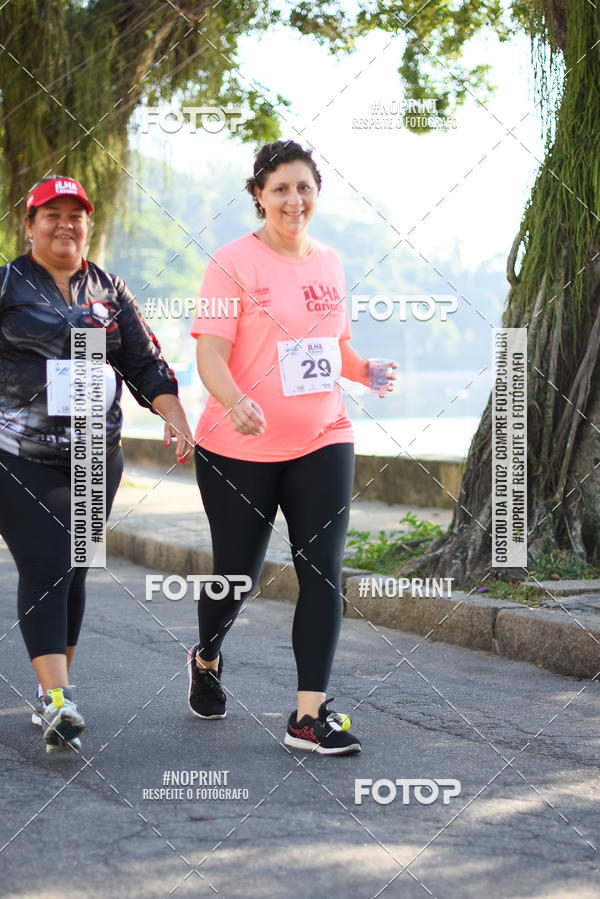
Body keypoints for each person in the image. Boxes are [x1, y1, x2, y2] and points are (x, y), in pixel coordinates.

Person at [187, 140, 396, 755]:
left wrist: (364, 371)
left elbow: (334, 349)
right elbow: (209, 352)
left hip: (323, 437)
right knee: (237, 574)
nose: (293, 199)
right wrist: (232, 400)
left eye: (303, 187)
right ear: (258, 195)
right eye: (280, 188)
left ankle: (309, 715)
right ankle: (207, 657)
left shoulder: (330, 263)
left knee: (323, 570)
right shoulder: (231, 263)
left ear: (317, 194)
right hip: (237, 446)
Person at [0, 175, 193, 754]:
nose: (65, 225)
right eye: (51, 215)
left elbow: (145, 361)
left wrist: (175, 413)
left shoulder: (108, 289)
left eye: (75, 215)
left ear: (88, 223)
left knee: (76, 567)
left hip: (93, 453)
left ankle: (56, 693)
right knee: (49, 559)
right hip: (18, 455)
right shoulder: (8, 285)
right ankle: (58, 702)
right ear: (29, 225)